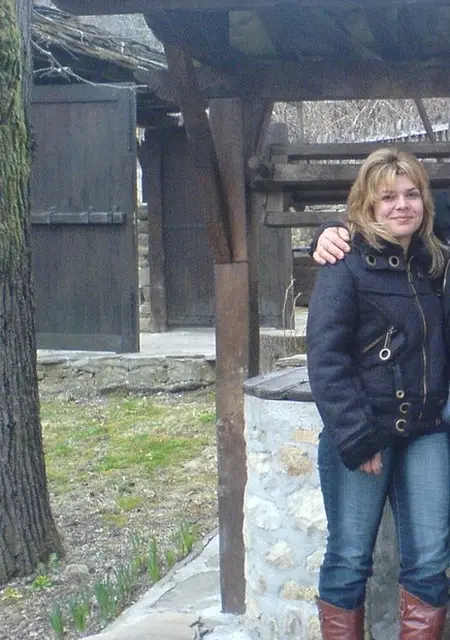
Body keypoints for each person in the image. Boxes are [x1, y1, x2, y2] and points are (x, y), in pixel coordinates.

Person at [306, 148, 450, 638]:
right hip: (367, 431)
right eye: (387, 197)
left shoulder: (431, 261)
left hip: (426, 431)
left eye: (411, 194)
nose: (402, 205)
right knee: (349, 559)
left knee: (430, 562)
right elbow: (326, 357)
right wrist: (356, 435)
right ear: (367, 205)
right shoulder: (345, 264)